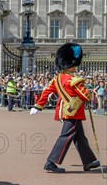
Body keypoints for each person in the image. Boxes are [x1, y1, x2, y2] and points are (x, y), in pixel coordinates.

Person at [30, 43, 100, 173]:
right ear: (72, 64)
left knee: (80, 137)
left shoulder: (57, 78)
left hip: (66, 111)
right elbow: (86, 96)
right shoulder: (74, 80)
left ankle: (89, 162)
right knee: (66, 136)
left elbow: (46, 92)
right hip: (73, 112)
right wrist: (89, 91)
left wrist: (38, 105)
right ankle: (51, 162)